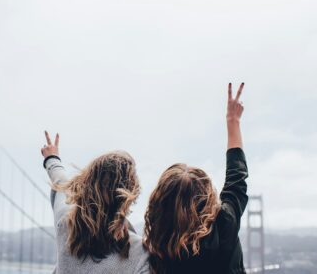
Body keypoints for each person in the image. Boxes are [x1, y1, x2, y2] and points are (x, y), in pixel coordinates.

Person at [143, 82, 249, 274]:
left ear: (160, 205)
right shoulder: (225, 224)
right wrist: (233, 121)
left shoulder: (158, 245)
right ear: (207, 197)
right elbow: (237, 179)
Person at [40, 132, 149, 274]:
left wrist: (52, 158)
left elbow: (61, 181)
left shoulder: (65, 221)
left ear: (87, 184)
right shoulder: (140, 253)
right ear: (130, 195)